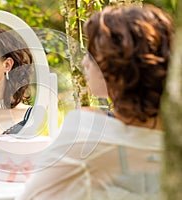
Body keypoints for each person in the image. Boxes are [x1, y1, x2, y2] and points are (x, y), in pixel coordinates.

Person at [16, 4, 173, 200]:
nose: (84, 62)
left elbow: (31, 197)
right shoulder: (172, 138)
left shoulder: (87, 132)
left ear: (116, 65)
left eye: (92, 54)